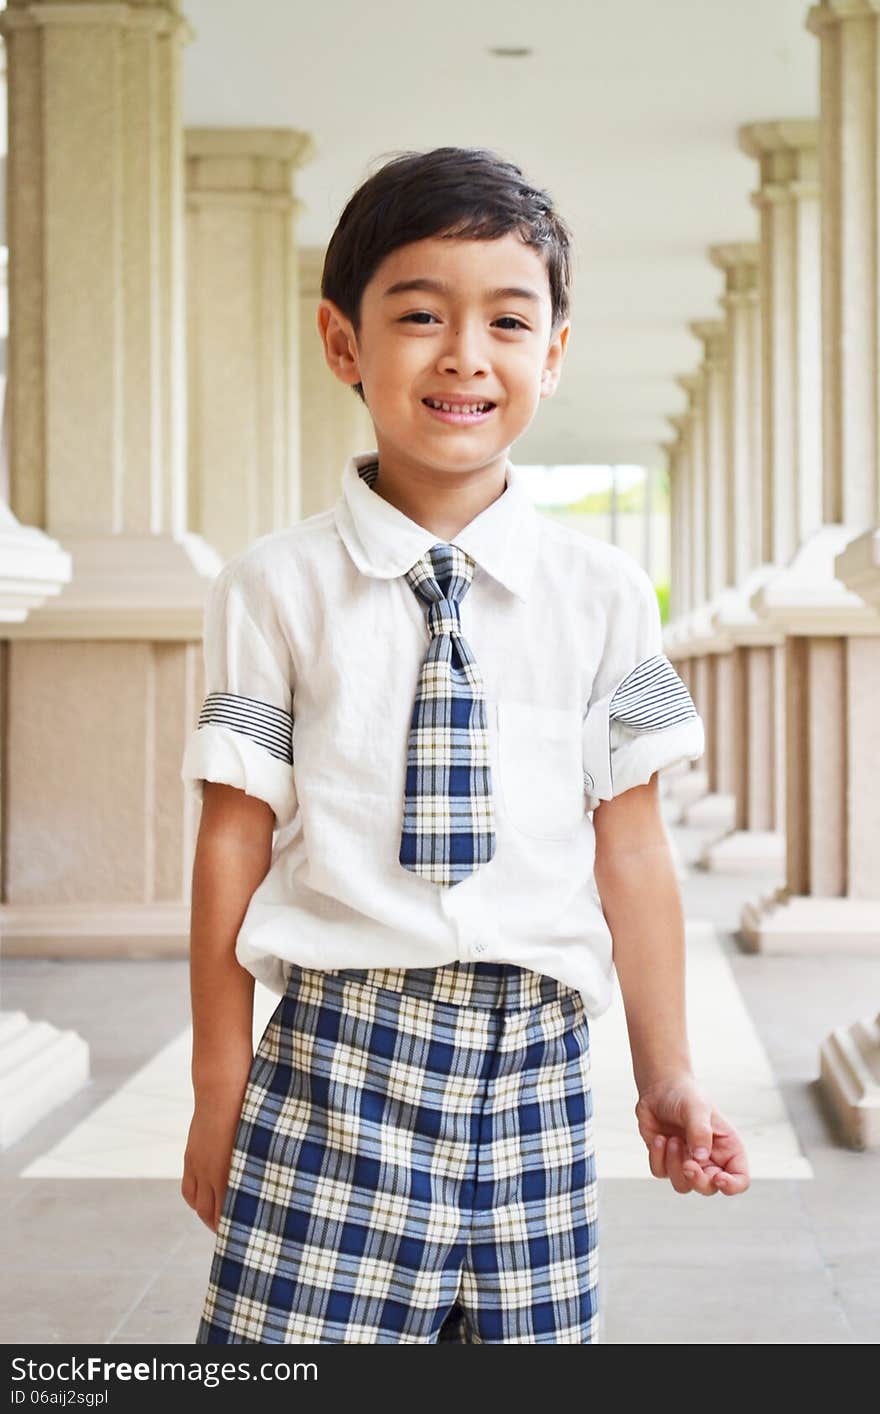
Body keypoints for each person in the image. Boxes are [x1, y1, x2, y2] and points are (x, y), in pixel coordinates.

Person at [180, 145, 750, 1346]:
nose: (464, 355)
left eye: (506, 320)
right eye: (420, 315)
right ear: (344, 344)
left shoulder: (600, 593)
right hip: (338, 1060)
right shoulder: (274, 586)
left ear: (550, 352)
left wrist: (665, 1072)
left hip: (535, 1067)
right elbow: (230, 837)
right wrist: (217, 1082)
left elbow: (632, 851)